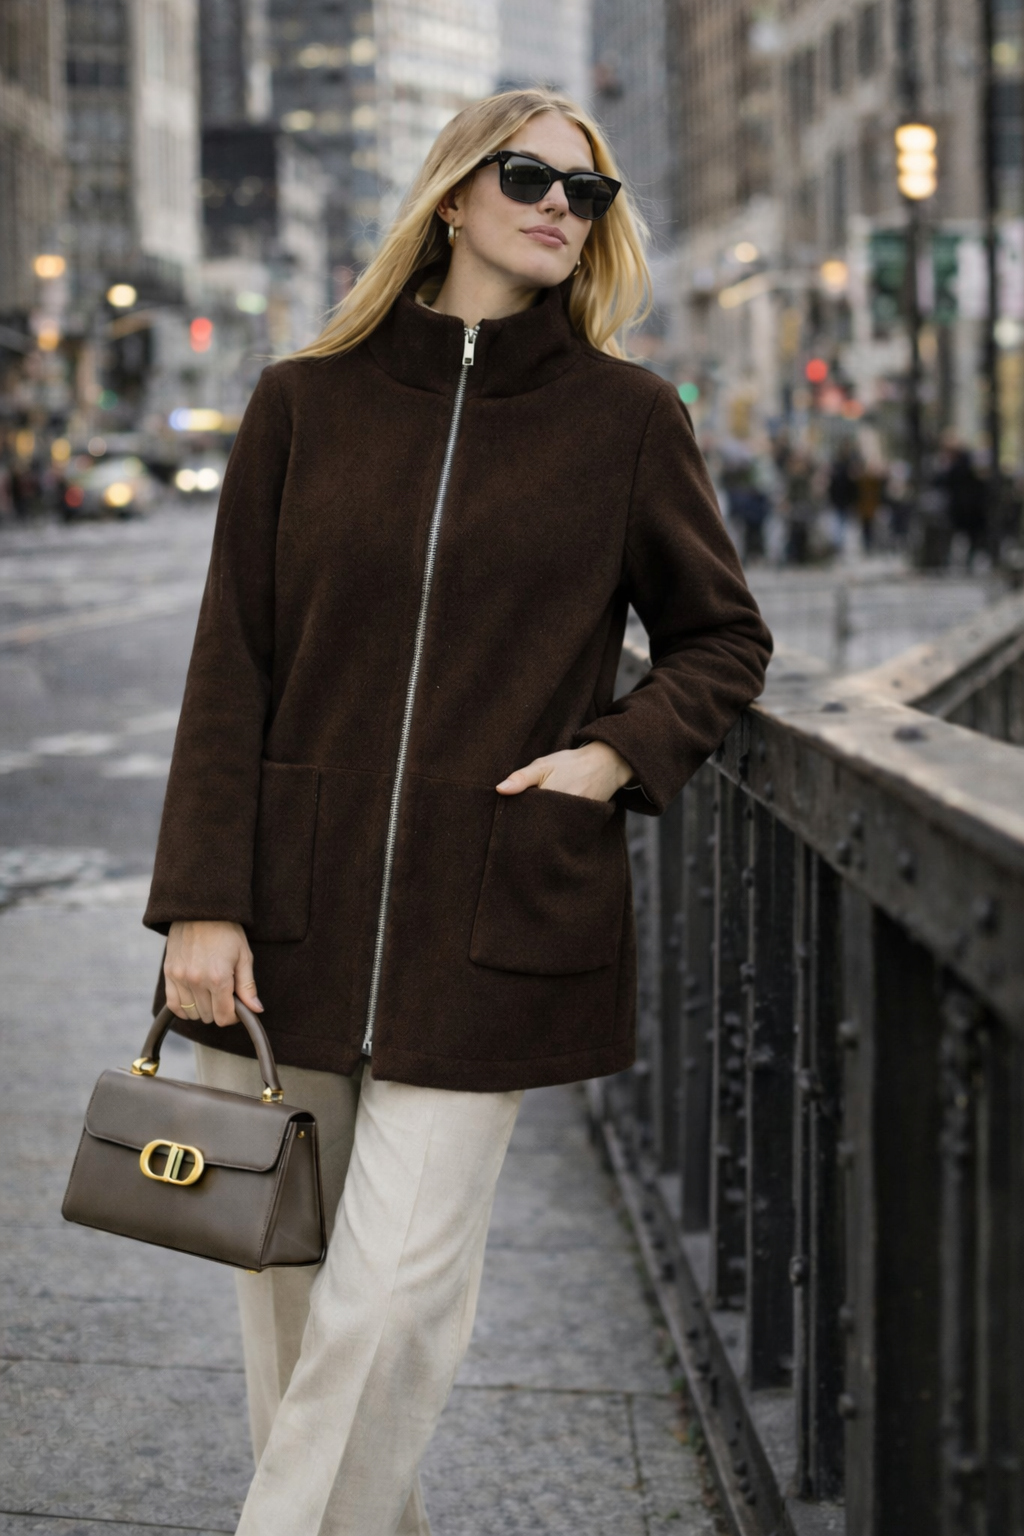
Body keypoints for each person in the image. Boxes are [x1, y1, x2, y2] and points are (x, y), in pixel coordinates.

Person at [143, 88, 772, 1536]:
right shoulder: (303, 402)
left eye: (588, 194)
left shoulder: (628, 420)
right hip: (284, 921)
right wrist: (202, 900)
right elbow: (231, 662)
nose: (562, 208)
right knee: (291, 1303)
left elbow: (723, 639)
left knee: (391, 1307)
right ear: (452, 194)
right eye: (531, 178)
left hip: (494, 914)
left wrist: (613, 758)